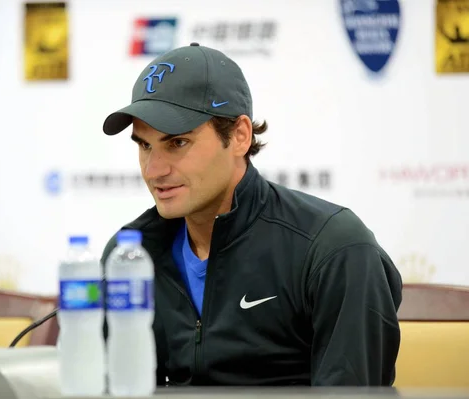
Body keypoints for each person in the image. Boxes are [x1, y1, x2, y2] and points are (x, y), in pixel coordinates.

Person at [100, 43, 403, 386]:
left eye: (178, 143)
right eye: (144, 145)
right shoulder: (130, 258)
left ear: (240, 136)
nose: (154, 170)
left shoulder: (334, 250)